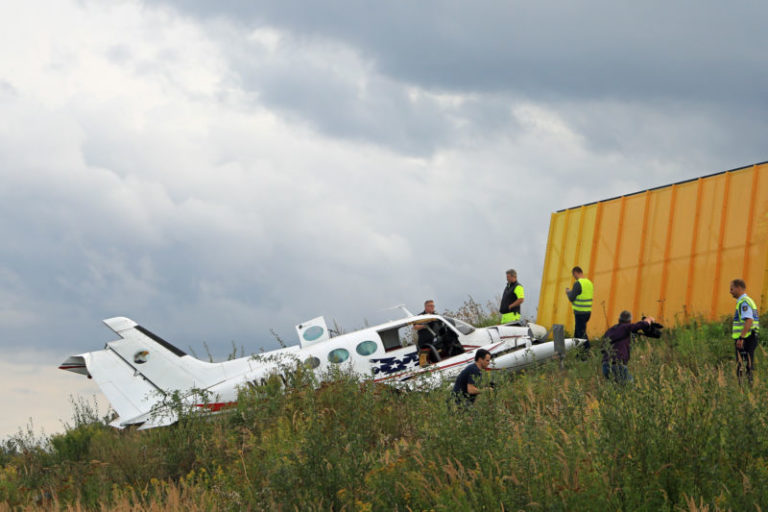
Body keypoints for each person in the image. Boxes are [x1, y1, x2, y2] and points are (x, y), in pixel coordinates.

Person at [601, 311, 655, 383]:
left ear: (619, 319)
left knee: (616, 388)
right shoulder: (625, 327)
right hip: (618, 365)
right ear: (629, 320)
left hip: (605, 366)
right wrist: (648, 320)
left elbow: (602, 349)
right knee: (630, 385)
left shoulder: (610, 331)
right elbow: (640, 325)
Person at [730, 279, 760, 385]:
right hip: (750, 337)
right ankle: (748, 388)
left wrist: (741, 338)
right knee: (747, 364)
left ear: (739, 288)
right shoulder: (749, 301)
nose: (730, 291)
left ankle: (745, 390)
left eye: (732, 289)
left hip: (746, 339)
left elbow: (749, 320)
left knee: (743, 365)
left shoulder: (744, 302)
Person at [566, 266, 593, 346]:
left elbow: (571, 298)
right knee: (577, 334)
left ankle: (587, 352)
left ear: (576, 273)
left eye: (574, 275)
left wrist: (568, 292)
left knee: (581, 335)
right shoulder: (589, 283)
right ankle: (577, 354)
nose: (574, 277)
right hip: (587, 312)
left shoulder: (578, 283)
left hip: (580, 312)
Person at [414, 300, 441, 366]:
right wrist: (425, 325)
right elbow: (415, 327)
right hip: (424, 342)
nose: (432, 307)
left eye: (433, 306)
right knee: (425, 360)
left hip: (435, 341)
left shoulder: (436, 316)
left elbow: (441, 325)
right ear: (426, 307)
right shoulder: (420, 316)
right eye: (431, 306)